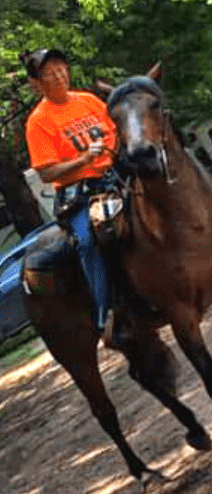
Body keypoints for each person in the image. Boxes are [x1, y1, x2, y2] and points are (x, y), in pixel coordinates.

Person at [23, 48, 122, 340]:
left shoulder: (89, 100)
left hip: (115, 174)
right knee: (88, 240)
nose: (59, 75)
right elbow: (46, 172)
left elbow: (114, 131)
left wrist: (114, 151)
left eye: (61, 68)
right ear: (36, 84)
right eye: (49, 73)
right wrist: (82, 161)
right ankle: (106, 313)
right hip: (79, 193)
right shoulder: (38, 122)